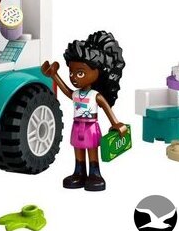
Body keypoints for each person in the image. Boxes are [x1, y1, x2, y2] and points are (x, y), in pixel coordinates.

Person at [42, 31, 127, 191]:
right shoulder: (77, 94)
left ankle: (95, 174)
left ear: (97, 72)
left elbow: (106, 108)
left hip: (91, 127)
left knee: (92, 149)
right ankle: (79, 172)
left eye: (80, 73)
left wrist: (116, 123)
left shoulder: (95, 95)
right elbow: (67, 91)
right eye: (72, 73)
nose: (74, 78)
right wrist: (54, 75)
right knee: (78, 148)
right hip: (77, 125)